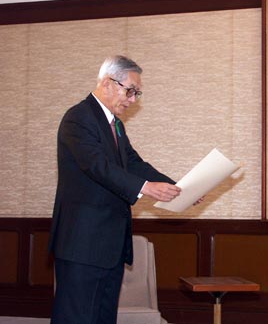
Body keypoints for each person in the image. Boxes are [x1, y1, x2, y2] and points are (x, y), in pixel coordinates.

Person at [49, 55, 182, 324]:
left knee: (102, 318)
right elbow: (96, 166)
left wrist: (178, 188)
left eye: (137, 93)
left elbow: (133, 164)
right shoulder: (78, 117)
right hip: (82, 245)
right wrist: (147, 188)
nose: (133, 100)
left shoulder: (115, 125)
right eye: (130, 91)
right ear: (108, 82)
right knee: (76, 318)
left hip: (110, 246)